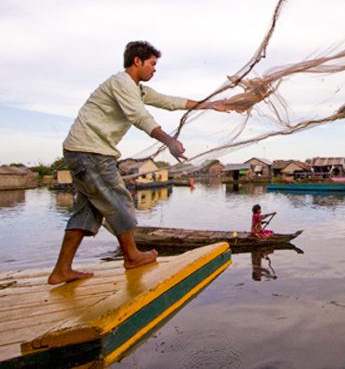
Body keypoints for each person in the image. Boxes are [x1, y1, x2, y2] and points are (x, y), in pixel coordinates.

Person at [48, 40, 232, 285]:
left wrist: (210, 105)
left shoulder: (138, 89)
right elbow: (139, 116)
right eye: (152, 64)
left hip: (86, 151)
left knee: (88, 211)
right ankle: (132, 256)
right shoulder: (122, 83)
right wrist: (169, 141)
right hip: (90, 152)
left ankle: (61, 270)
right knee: (119, 200)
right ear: (137, 61)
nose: (154, 70)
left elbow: (170, 101)